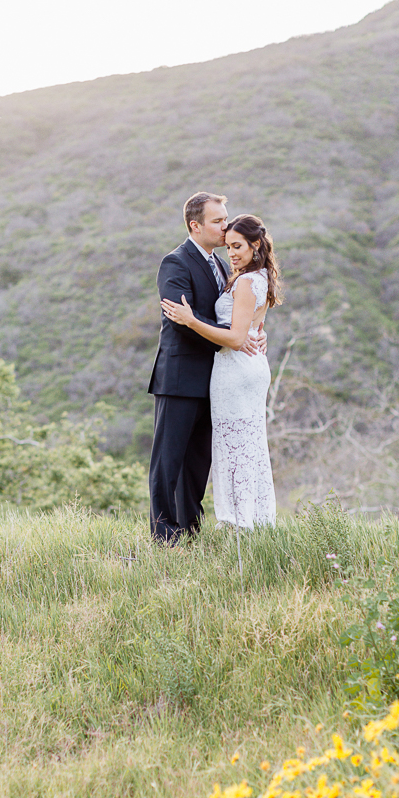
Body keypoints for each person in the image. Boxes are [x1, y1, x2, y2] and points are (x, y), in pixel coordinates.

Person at [147, 193, 265, 542]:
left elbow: (236, 313)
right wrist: (232, 338)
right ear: (194, 225)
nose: (225, 226)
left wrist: (252, 333)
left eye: (225, 219)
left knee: (198, 462)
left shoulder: (223, 265)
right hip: (179, 377)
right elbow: (181, 318)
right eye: (217, 221)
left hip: (216, 378)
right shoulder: (175, 262)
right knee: (168, 460)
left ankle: (189, 529)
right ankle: (163, 534)